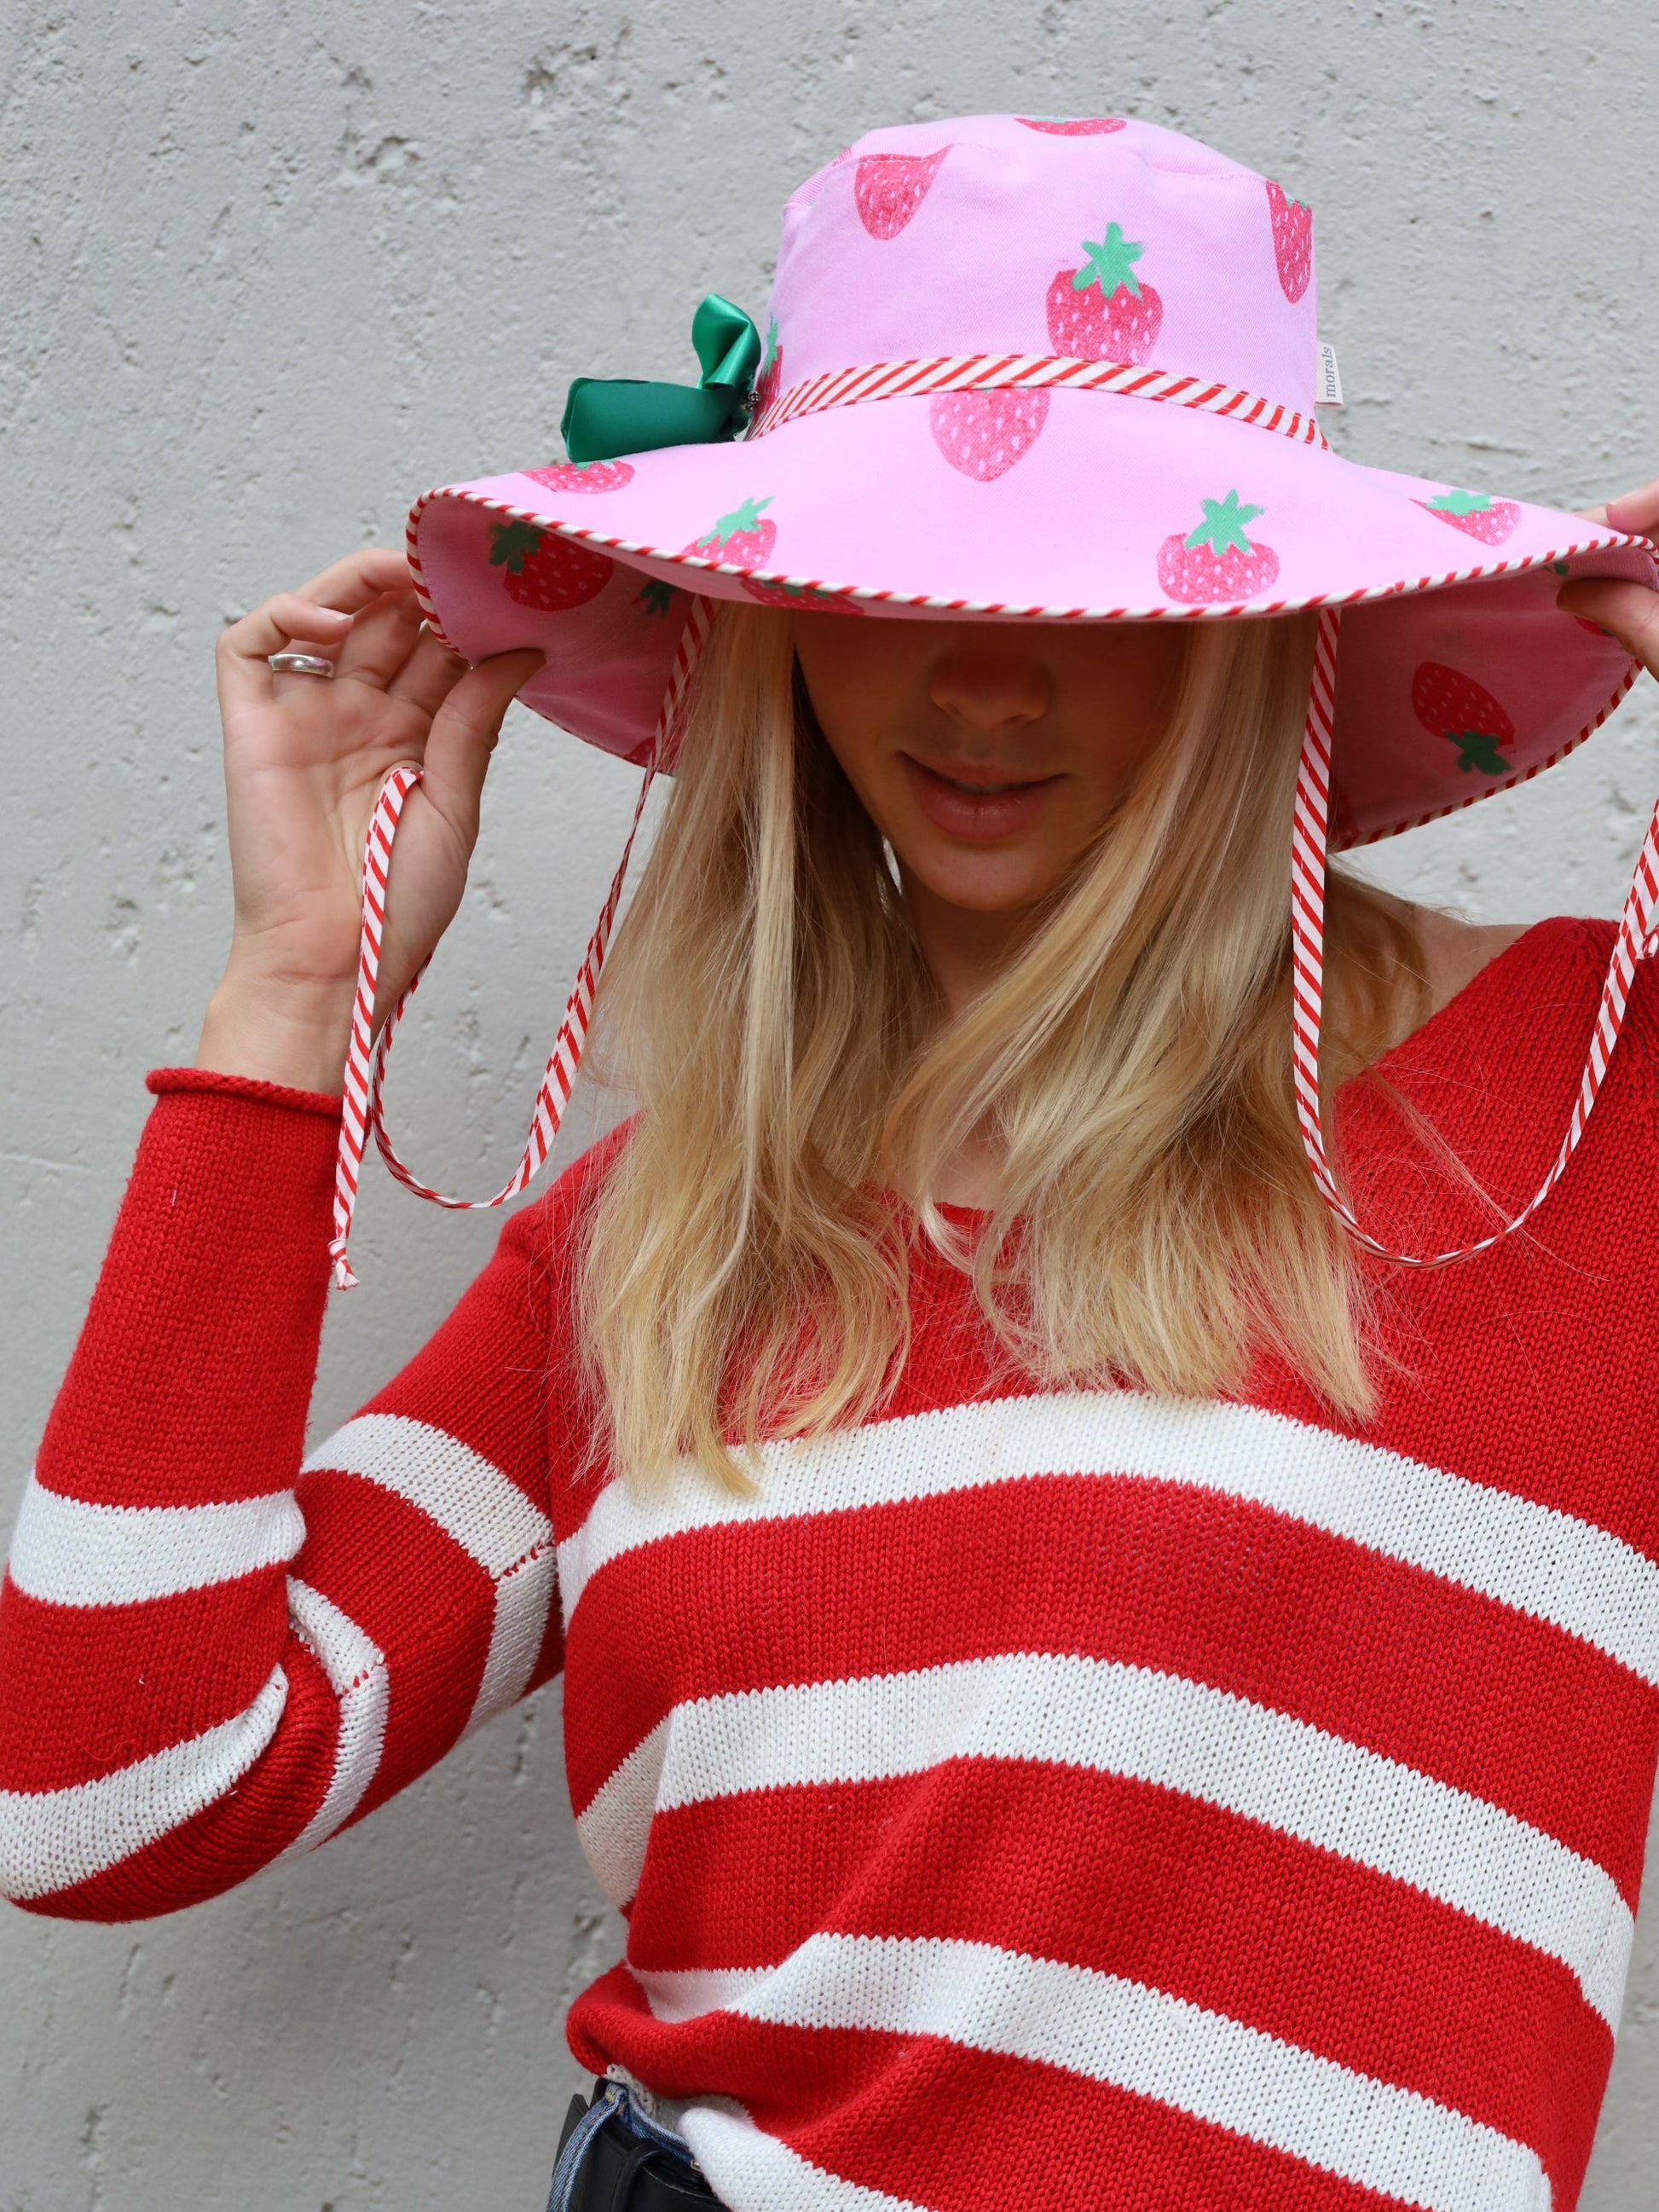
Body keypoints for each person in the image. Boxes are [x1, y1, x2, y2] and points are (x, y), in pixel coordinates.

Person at [3, 111, 1659, 2212]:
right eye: (895, 579)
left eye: (1101, 587)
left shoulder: (1598, 1100)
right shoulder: (654, 1244)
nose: (982, 677)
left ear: (1266, 626)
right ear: (767, 621)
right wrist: (291, 993)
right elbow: (102, 1791)